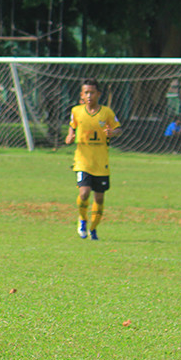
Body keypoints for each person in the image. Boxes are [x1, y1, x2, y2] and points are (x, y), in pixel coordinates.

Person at [65, 78, 121, 240]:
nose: (89, 95)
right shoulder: (76, 111)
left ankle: (94, 228)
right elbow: (72, 125)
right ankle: (82, 219)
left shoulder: (107, 113)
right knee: (84, 192)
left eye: (92, 92)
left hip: (101, 162)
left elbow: (118, 129)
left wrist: (113, 133)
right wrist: (70, 135)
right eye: (86, 92)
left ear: (98, 94)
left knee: (99, 197)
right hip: (82, 160)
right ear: (82, 94)